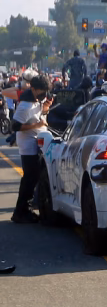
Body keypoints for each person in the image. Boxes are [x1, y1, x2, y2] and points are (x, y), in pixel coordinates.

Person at [11, 75, 52, 224]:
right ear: (33, 89)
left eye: (45, 92)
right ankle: (20, 212)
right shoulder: (25, 105)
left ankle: (24, 210)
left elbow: (39, 115)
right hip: (28, 145)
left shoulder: (38, 99)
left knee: (33, 178)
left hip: (37, 141)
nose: (44, 95)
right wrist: (36, 126)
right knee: (29, 178)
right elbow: (15, 126)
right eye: (41, 92)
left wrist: (45, 109)